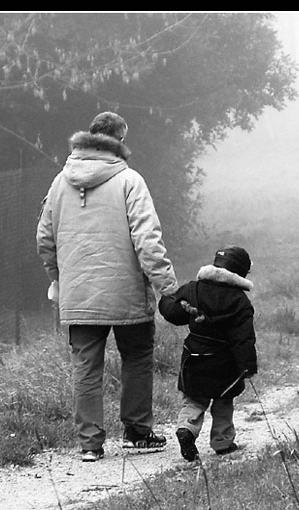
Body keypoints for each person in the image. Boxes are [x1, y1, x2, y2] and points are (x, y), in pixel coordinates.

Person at [36, 111, 180, 462]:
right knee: (137, 357)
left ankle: (90, 444)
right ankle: (137, 432)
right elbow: (147, 239)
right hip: (126, 292)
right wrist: (168, 287)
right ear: (120, 140)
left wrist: (60, 277)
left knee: (85, 367)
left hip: (78, 294)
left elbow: (44, 238)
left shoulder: (60, 183)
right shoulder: (130, 180)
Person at [158, 245, 258, 461]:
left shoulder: (193, 289)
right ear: (242, 272)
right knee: (224, 401)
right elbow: (244, 338)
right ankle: (223, 442)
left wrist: (166, 300)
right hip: (225, 362)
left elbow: (174, 314)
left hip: (194, 357)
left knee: (194, 400)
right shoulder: (240, 301)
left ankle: (186, 428)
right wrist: (247, 367)